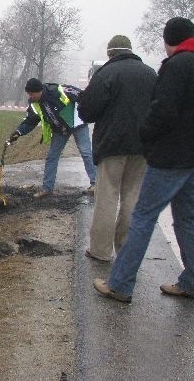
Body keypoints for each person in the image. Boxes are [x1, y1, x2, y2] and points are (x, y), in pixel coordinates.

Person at [94, 17, 194, 303]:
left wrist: (146, 135)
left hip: (169, 157)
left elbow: (163, 110)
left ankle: (120, 284)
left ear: (169, 40)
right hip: (191, 158)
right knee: (187, 220)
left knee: (142, 218)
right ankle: (191, 281)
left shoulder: (176, 65)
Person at [78, 35, 157, 262]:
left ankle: (100, 251)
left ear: (110, 53)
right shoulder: (150, 74)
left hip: (112, 145)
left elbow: (87, 112)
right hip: (142, 146)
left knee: (107, 196)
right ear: (131, 50)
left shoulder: (106, 74)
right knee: (132, 197)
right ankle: (126, 250)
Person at [9, 78, 96, 198]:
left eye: (31, 94)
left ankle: (95, 184)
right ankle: (47, 189)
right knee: (52, 157)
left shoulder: (58, 90)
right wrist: (18, 132)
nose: (30, 96)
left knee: (86, 152)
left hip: (77, 123)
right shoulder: (34, 103)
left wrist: (86, 112)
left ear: (39, 91)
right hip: (60, 129)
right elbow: (30, 121)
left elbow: (83, 95)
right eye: (29, 94)